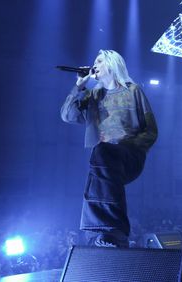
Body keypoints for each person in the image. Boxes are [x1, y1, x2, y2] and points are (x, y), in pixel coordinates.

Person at [61, 50, 158, 248]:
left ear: (111, 65)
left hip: (129, 156)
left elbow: (150, 130)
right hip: (104, 160)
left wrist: (132, 146)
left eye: (98, 61)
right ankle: (105, 233)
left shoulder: (133, 91)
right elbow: (67, 116)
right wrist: (79, 86)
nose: (93, 64)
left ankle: (113, 229)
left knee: (101, 152)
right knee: (98, 162)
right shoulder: (94, 95)